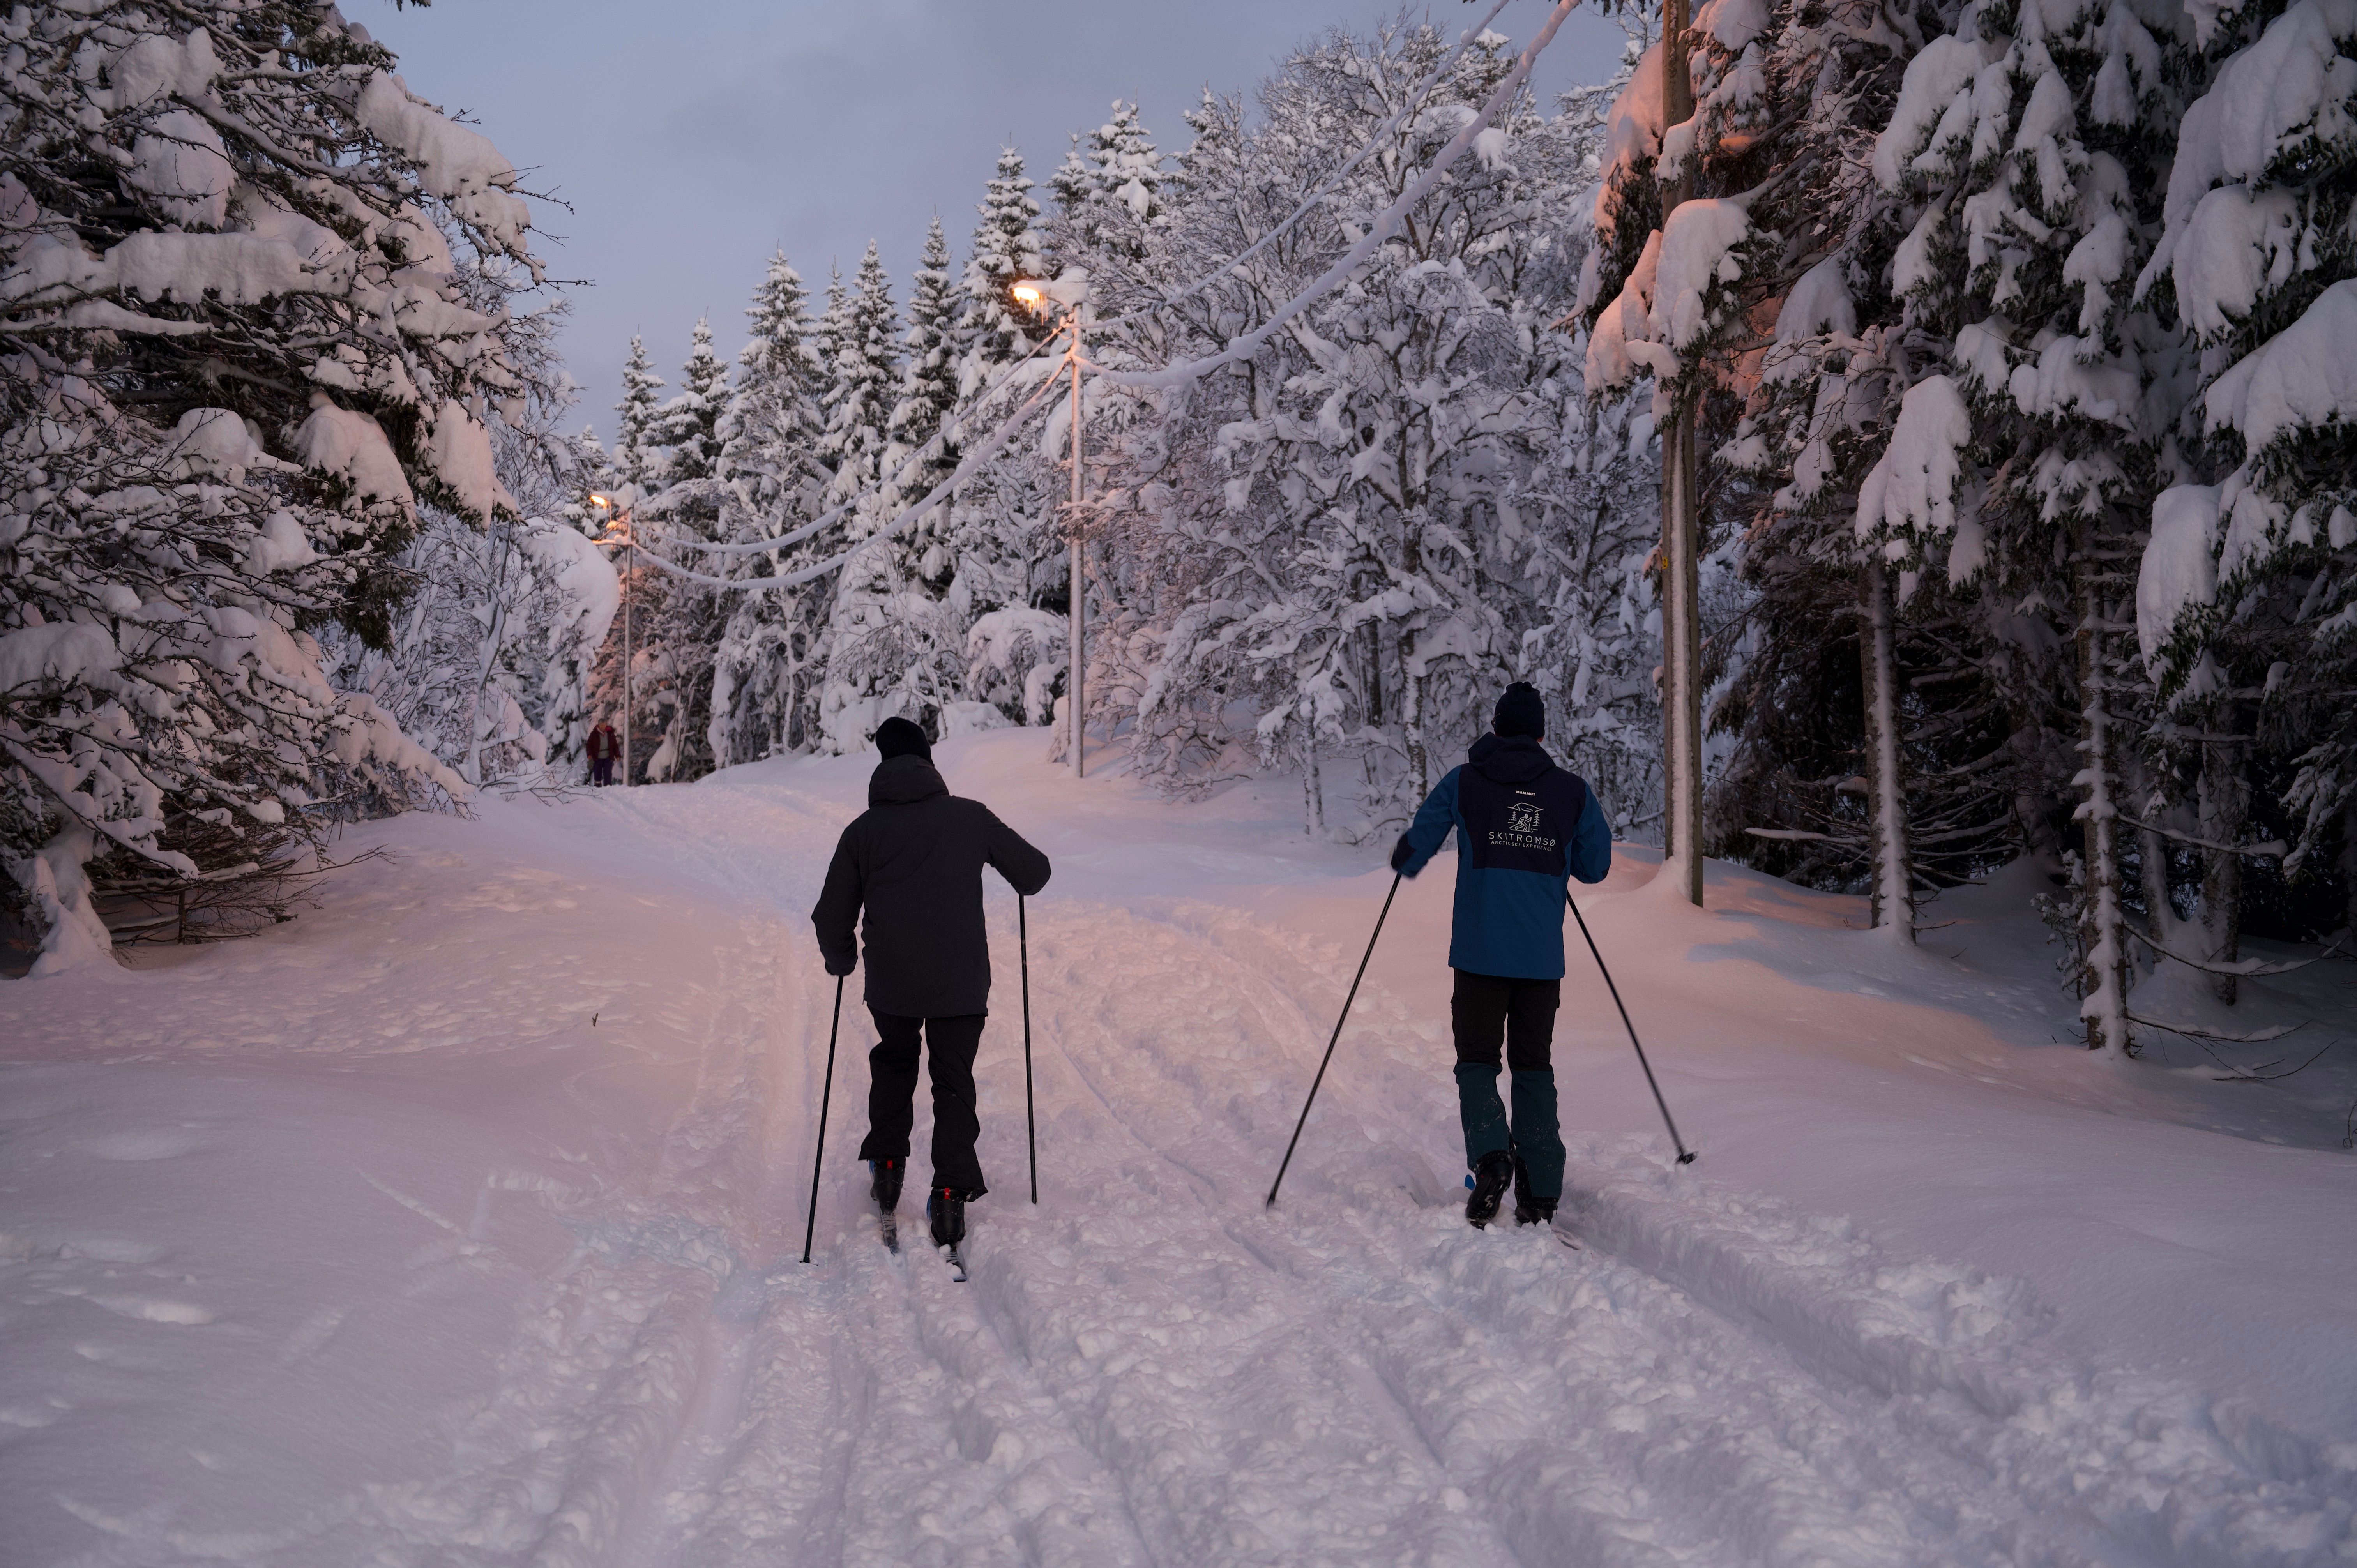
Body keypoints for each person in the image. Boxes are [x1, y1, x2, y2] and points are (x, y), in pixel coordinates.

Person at [811, 717, 1051, 1251]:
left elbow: (831, 915)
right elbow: (1034, 873)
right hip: (960, 981)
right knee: (953, 1078)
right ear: (928, 762)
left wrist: (842, 959)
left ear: (882, 767)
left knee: (896, 1060)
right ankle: (949, 1195)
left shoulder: (862, 833)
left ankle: (889, 1166)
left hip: (892, 979)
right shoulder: (970, 817)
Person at [1390, 682, 1612, 1229]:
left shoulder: (1466, 782)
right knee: (1534, 1066)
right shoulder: (1572, 792)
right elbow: (1595, 866)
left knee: (1477, 1063)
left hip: (1479, 955)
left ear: (1497, 729)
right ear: (1541, 734)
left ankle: (1492, 1159)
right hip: (1539, 960)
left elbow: (1420, 842)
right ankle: (1541, 1189)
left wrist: (1405, 859)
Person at [585, 718, 620, 786]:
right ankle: (598, 790)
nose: (603, 727)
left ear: (606, 725)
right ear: (599, 725)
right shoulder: (594, 734)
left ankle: (608, 789)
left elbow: (615, 745)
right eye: (601, 725)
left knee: (608, 774)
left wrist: (617, 755)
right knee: (598, 775)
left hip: (608, 757)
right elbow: (589, 745)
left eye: (604, 725)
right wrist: (590, 755)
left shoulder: (610, 733)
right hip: (597, 758)